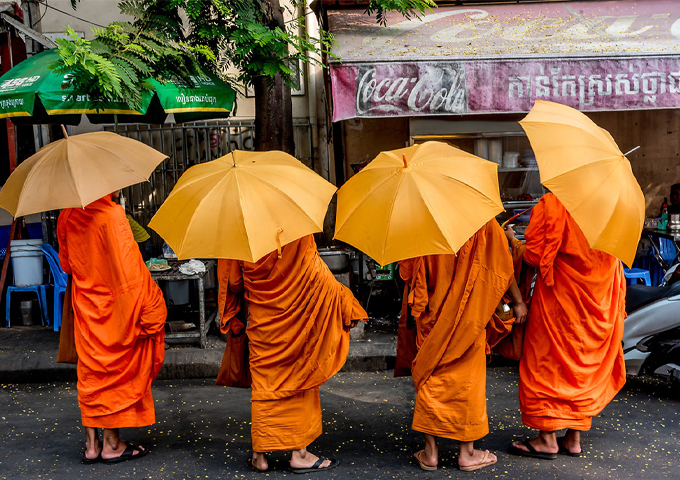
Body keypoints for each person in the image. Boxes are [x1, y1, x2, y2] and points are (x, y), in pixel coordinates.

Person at [217, 235, 367, 473]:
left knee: (265, 385)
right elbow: (313, 270)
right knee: (299, 376)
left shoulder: (241, 229)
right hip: (298, 320)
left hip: (263, 322)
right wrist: (343, 299)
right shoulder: (296, 229)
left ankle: (260, 456)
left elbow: (233, 281)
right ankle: (299, 453)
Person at [397, 220, 528, 472]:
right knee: (468, 382)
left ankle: (430, 453)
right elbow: (502, 269)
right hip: (470, 314)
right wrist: (518, 301)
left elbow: (409, 272)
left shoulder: (423, 220)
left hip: (433, 316)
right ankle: (467, 452)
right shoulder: (483, 221)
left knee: (431, 377)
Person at [508, 193, 626, 459]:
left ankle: (546, 438)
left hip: (559, 305)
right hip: (599, 303)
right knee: (583, 367)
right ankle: (573, 438)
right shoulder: (612, 206)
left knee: (546, 364)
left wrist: (513, 241)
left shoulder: (553, 204)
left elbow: (535, 256)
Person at [57, 190, 167, 464]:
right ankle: (112, 444)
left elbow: (66, 264)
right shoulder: (113, 215)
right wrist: (149, 300)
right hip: (115, 308)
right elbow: (130, 270)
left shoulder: (66, 215)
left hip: (86, 305)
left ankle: (92, 445)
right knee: (114, 371)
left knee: (91, 373)